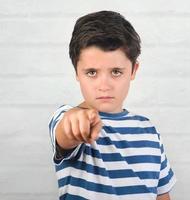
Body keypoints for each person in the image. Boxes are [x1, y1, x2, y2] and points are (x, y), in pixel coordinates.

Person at [48, 10, 176, 200]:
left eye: (116, 71)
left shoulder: (149, 130)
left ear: (133, 70)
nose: (104, 85)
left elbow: (162, 194)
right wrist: (76, 123)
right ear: (77, 72)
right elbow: (66, 131)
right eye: (91, 72)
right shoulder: (68, 116)